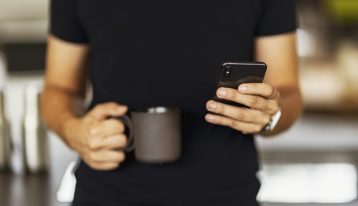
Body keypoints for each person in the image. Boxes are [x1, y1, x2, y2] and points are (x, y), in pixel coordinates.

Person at [42, 0, 303, 205]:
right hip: (107, 194)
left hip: (226, 194)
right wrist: (72, 129)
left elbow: (288, 93)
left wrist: (271, 115)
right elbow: (57, 89)